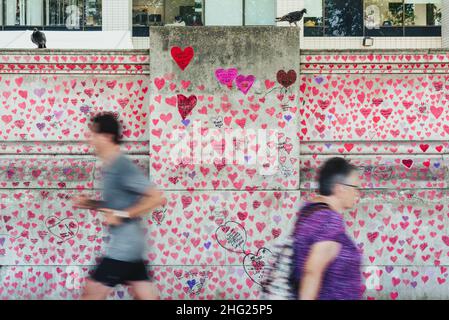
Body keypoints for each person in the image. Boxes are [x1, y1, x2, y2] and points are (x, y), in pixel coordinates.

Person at [73, 113, 165, 300]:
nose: (88, 139)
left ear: (106, 137)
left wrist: (123, 215)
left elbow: (156, 198)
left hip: (123, 247)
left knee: (90, 294)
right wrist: (89, 203)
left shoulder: (122, 166)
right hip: (131, 247)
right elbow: (115, 206)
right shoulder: (110, 167)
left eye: (92, 134)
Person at [292, 157, 362, 300]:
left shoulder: (309, 211)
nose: (357, 194)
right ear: (340, 188)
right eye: (356, 188)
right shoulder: (329, 220)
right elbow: (312, 272)